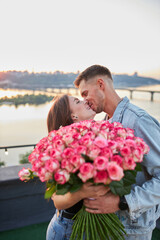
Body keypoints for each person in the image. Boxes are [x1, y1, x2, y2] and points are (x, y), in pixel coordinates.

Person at [74, 64, 160, 240]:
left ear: (100, 84)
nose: (84, 101)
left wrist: (122, 202)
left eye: (85, 93)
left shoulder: (138, 121)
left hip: (133, 231)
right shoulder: (104, 124)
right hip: (109, 226)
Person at [46, 94, 109, 240]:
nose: (85, 100)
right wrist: (82, 192)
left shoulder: (98, 137)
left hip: (93, 227)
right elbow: (57, 201)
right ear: (73, 116)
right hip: (69, 230)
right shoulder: (63, 148)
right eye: (77, 101)